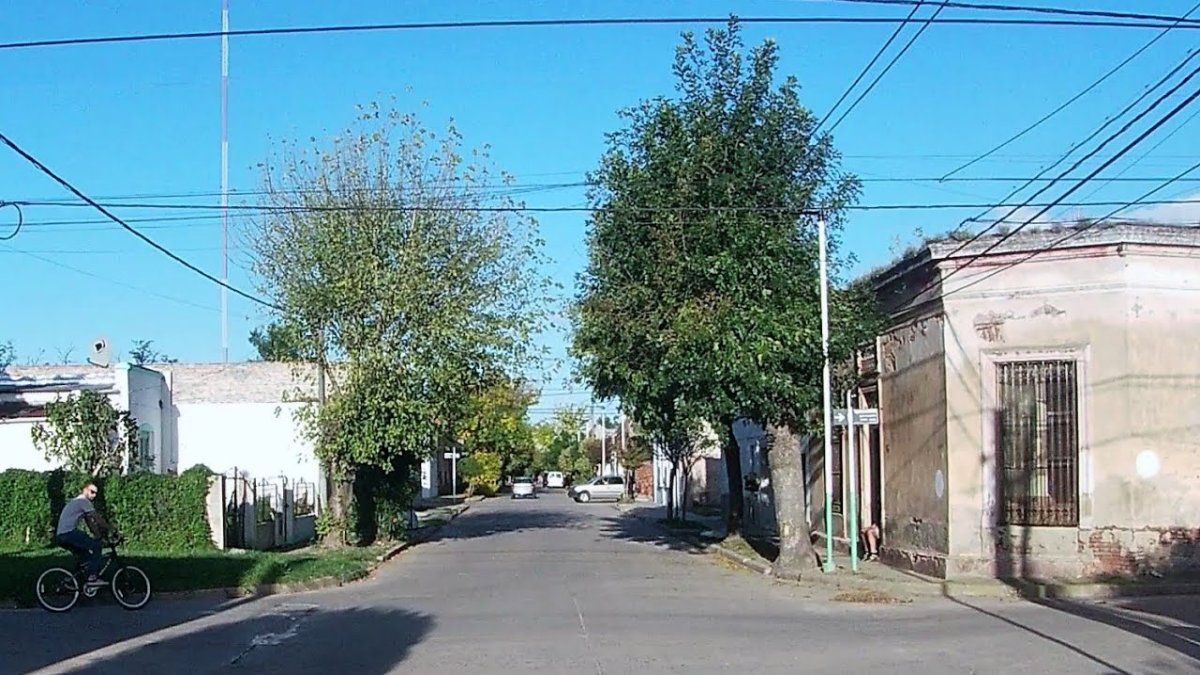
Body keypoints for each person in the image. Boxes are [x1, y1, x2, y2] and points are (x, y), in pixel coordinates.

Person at [54, 483, 113, 586]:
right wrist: (112, 529)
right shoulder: (83, 501)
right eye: (92, 492)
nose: (94, 495)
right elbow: (96, 518)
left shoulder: (77, 502)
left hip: (61, 536)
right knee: (96, 546)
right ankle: (92, 578)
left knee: (85, 556)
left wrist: (98, 536)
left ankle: (77, 581)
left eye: (96, 493)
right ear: (85, 490)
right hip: (68, 533)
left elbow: (90, 523)